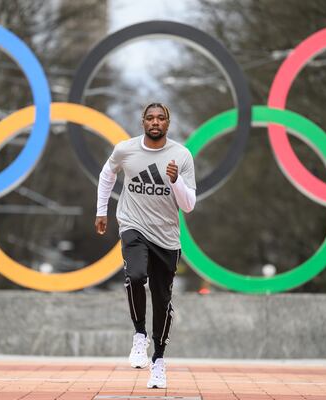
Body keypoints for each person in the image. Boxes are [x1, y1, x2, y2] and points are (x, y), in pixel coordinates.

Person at [95, 103, 196, 389]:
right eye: (150, 118)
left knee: (163, 300)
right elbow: (107, 175)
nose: (155, 122)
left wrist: (175, 181)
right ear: (142, 122)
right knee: (136, 276)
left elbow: (188, 205)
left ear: (168, 123)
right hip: (132, 226)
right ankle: (140, 336)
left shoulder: (181, 156)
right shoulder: (125, 150)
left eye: (160, 118)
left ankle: (159, 361)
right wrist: (101, 211)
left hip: (166, 237)